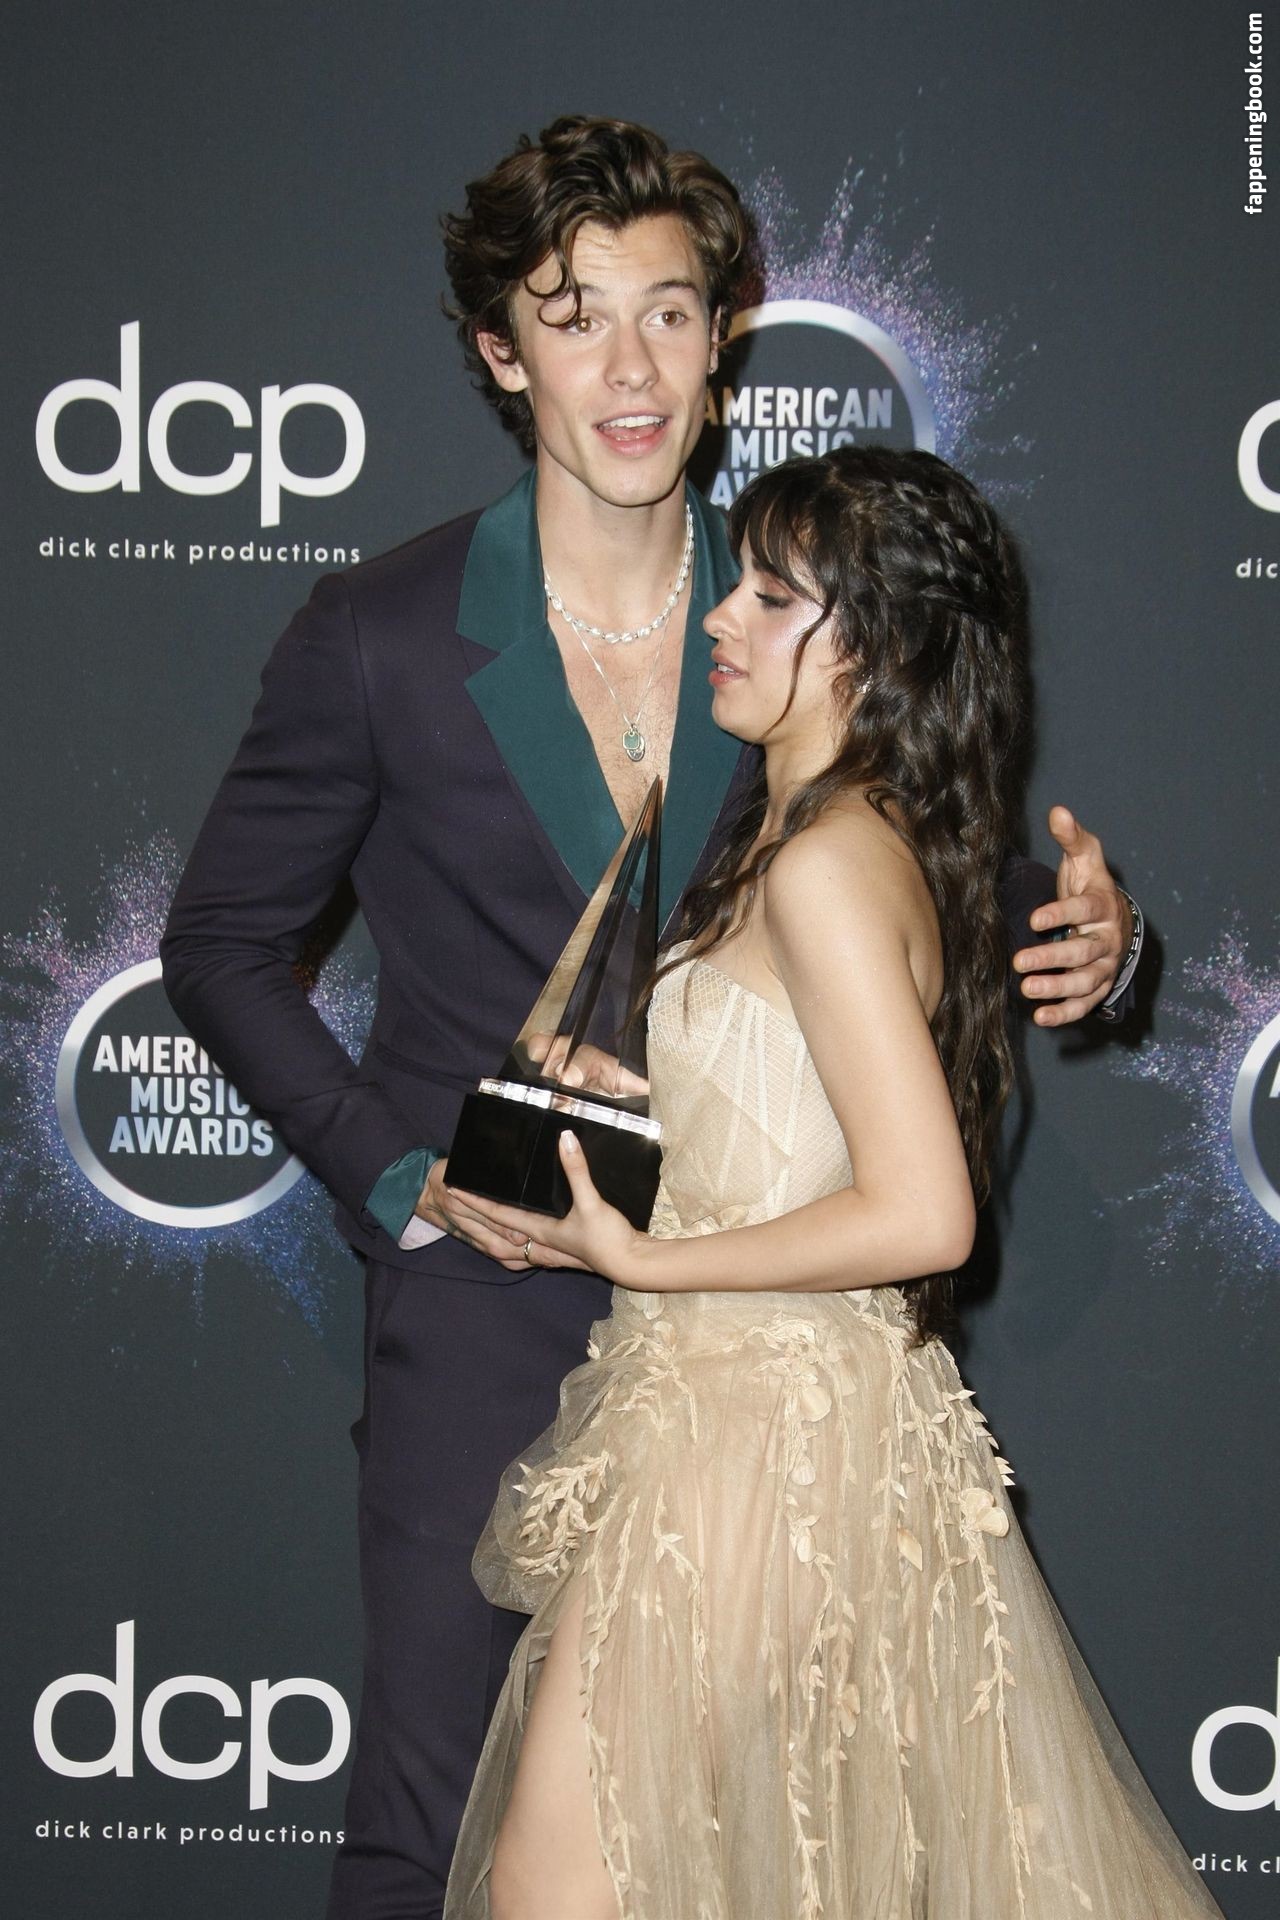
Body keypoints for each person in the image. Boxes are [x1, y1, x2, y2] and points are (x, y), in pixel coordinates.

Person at [160, 118, 1143, 1920]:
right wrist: (400, 1185)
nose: (629, 370)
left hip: (767, 1325)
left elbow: (898, 855)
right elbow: (219, 944)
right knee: (441, 1822)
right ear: (500, 351)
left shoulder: (792, 607)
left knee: (771, 1850)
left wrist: (1087, 927)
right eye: (576, 318)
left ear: (721, 339)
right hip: (494, 1303)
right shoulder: (379, 636)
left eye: (669, 315)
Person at [439, 445, 1219, 1920]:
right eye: (737, 583)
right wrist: (645, 1115)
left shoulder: (823, 862)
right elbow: (800, 1120)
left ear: (879, 646)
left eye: (772, 596)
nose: (722, 616)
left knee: (561, 1886)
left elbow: (925, 1212)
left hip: (757, 1447)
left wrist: (645, 1259)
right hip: (753, 1425)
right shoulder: (819, 840)